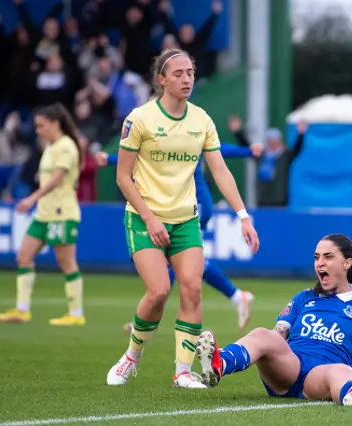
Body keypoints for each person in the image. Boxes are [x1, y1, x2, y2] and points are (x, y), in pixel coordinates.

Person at [106, 48, 259, 389]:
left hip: (185, 221)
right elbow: (122, 177)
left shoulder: (202, 120)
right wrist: (150, 218)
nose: (186, 78)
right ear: (161, 79)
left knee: (191, 288)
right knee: (159, 290)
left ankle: (183, 372)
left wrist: (243, 216)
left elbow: (219, 170)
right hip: (144, 219)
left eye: (190, 72)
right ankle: (131, 357)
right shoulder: (139, 119)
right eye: (178, 73)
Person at [196, 233, 352, 406]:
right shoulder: (304, 297)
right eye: (317, 257)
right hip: (290, 367)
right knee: (265, 334)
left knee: (341, 371)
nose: (320, 263)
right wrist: (270, 345)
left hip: (321, 376)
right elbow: (279, 333)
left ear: (347, 263)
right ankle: (218, 365)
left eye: (328, 257)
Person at [95, 140, 264, 331]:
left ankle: (149, 320)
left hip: (192, 204)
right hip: (186, 203)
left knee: (177, 260)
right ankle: (235, 296)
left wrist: (247, 151)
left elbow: (217, 149)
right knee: (179, 261)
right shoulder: (174, 129)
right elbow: (144, 158)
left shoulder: (187, 128)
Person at [0, 103, 85, 326]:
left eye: (41, 125)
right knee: (23, 256)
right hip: (44, 214)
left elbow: (56, 179)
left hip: (61, 213)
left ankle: (76, 314)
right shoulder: (51, 146)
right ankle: (22, 310)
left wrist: (31, 198)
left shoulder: (66, 146)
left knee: (67, 263)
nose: (38, 130)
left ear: (55, 123)